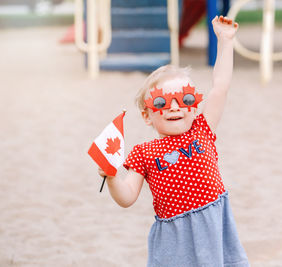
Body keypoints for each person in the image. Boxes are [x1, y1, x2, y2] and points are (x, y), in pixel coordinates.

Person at [99, 16, 249, 267]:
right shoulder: (143, 152)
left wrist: (225, 41)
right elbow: (127, 198)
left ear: (194, 106)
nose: (174, 108)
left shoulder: (202, 128)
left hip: (212, 228)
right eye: (161, 103)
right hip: (174, 239)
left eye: (185, 99)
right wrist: (112, 178)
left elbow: (220, 86)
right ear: (147, 115)